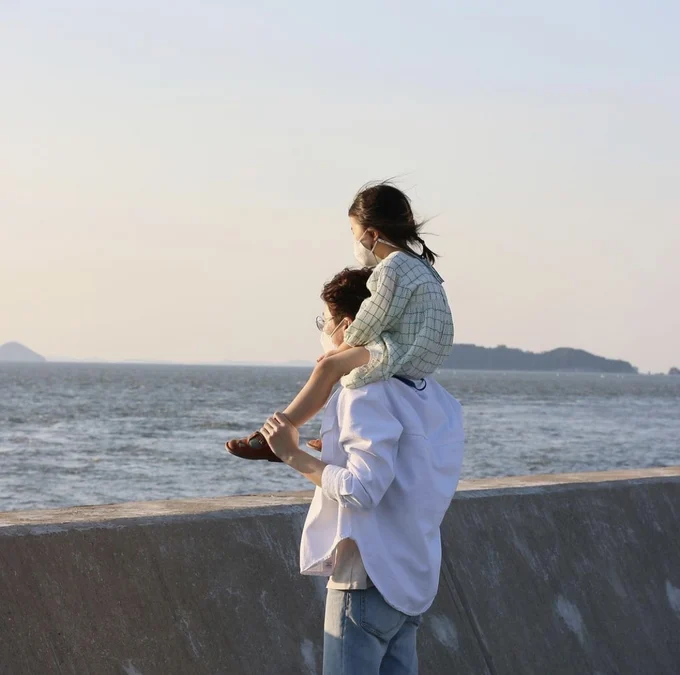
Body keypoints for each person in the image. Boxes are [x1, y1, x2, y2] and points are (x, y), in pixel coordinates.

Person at [254, 267, 465, 675]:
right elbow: (416, 471)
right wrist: (333, 448)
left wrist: (292, 455)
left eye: (325, 321)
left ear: (348, 326)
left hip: (367, 581)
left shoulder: (363, 390)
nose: (324, 331)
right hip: (412, 581)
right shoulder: (437, 397)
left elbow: (362, 490)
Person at [226, 181, 455, 460]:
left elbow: (370, 319)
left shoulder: (393, 266)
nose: (354, 240)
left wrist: (339, 351)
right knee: (342, 369)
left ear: (372, 234)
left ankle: (274, 436)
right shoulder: (422, 266)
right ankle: (338, 434)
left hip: (403, 351)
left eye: (353, 231)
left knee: (328, 368)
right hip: (424, 356)